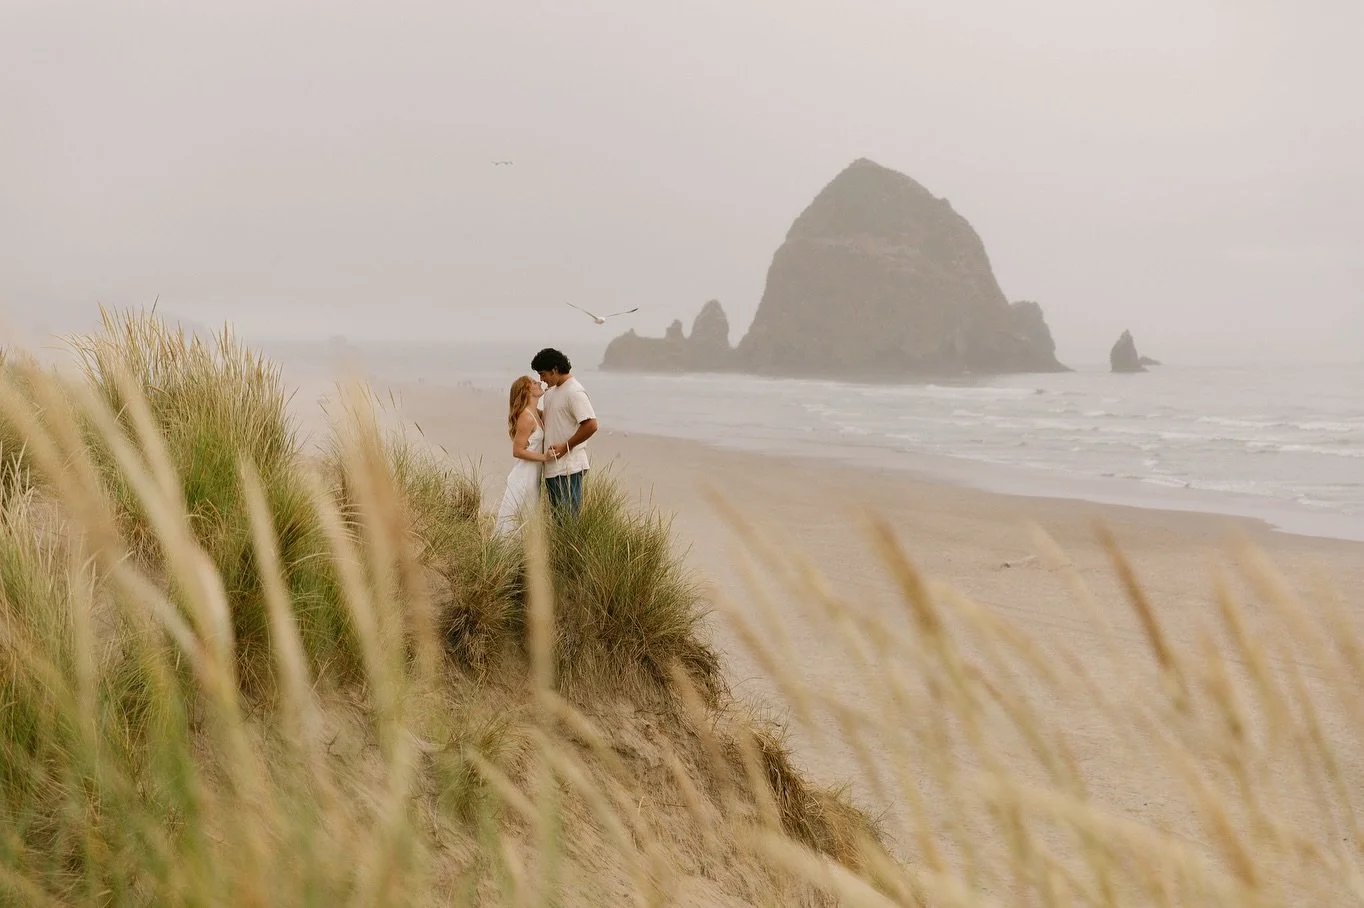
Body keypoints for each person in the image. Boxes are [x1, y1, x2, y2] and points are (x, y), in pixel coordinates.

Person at [531, 347, 597, 517]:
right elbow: (550, 421)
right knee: (558, 518)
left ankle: (571, 545)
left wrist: (565, 447)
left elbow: (591, 424)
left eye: (543, 373)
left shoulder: (574, 391)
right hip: (552, 467)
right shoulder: (551, 393)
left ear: (554, 369)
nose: (541, 379)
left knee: (568, 520)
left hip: (569, 467)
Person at [493, 375, 551, 536]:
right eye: (534, 382)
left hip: (533, 476)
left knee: (527, 519)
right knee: (515, 520)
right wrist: (545, 457)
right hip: (523, 477)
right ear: (526, 391)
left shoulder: (536, 413)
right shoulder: (526, 417)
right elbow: (517, 451)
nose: (539, 382)